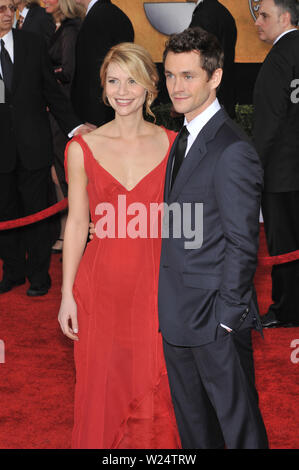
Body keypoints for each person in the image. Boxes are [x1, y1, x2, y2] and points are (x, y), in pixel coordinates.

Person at [58, 42, 181, 449]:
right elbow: (76, 223)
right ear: (103, 87)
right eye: (113, 80)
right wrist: (66, 295)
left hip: (156, 289)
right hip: (101, 288)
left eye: (132, 80)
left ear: (150, 87)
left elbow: (186, 226)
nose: (122, 90)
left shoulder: (174, 145)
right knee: (101, 387)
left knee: (158, 385)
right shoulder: (82, 148)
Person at [157, 27, 268, 449]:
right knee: (196, 432)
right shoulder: (183, 138)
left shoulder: (231, 149)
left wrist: (225, 318)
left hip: (215, 319)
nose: (176, 87)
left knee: (238, 431)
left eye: (188, 76)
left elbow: (244, 242)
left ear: (215, 77)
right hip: (177, 315)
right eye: (169, 75)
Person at [0, 0, 90, 296]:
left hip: (33, 146)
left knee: (37, 214)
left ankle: (39, 276)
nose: (6, 14)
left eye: (9, 8)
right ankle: (12, 272)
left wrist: (76, 128)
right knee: (5, 214)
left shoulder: (32, 42)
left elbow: (53, 91)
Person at [253, 0, 299, 329]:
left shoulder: (277, 60)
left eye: (264, 15)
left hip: (281, 174)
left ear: (285, 18)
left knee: (284, 248)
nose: (257, 22)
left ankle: (286, 311)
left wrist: (252, 171)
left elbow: (267, 126)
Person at [45, 0, 85, 253]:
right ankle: (64, 233)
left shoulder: (70, 30)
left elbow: (68, 71)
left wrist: (43, 78)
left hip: (63, 115)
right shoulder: (61, 28)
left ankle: (70, 235)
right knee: (57, 174)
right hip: (57, 112)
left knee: (64, 174)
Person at [71, 0, 134, 127]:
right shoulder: (107, 13)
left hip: (100, 118)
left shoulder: (98, 17)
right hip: (109, 113)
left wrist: (93, 118)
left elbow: (98, 71)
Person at [189, 0, 237, 118]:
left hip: (207, 102)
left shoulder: (204, 14)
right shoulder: (222, 12)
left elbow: (197, 58)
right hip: (222, 98)